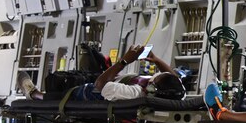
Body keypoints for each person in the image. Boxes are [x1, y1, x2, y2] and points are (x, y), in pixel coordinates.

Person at [19, 44, 185, 101]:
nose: (153, 76)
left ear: (152, 89)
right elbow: (175, 80)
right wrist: (156, 60)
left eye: (154, 79)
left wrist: (125, 61)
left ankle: (35, 94)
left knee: (70, 92)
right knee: (77, 74)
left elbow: (100, 86)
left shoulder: (134, 92)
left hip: (93, 91)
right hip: (114, 79)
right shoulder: (175, 92)